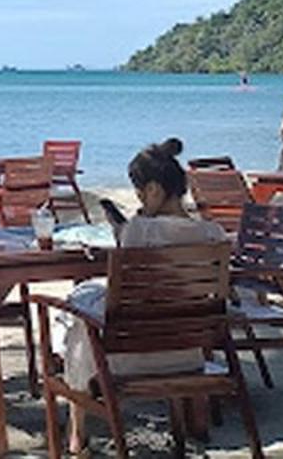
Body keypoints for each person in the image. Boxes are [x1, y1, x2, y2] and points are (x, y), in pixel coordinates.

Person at [53, 138, 231, 419]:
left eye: (140, 194)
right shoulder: (214, 235)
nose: (139, 201)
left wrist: (125, 227)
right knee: (90, 303)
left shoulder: (139, 231)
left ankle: (78, 432)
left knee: (79, 306)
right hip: (188, 353)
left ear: (154, 190)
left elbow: (133, 245)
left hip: (126, 356)